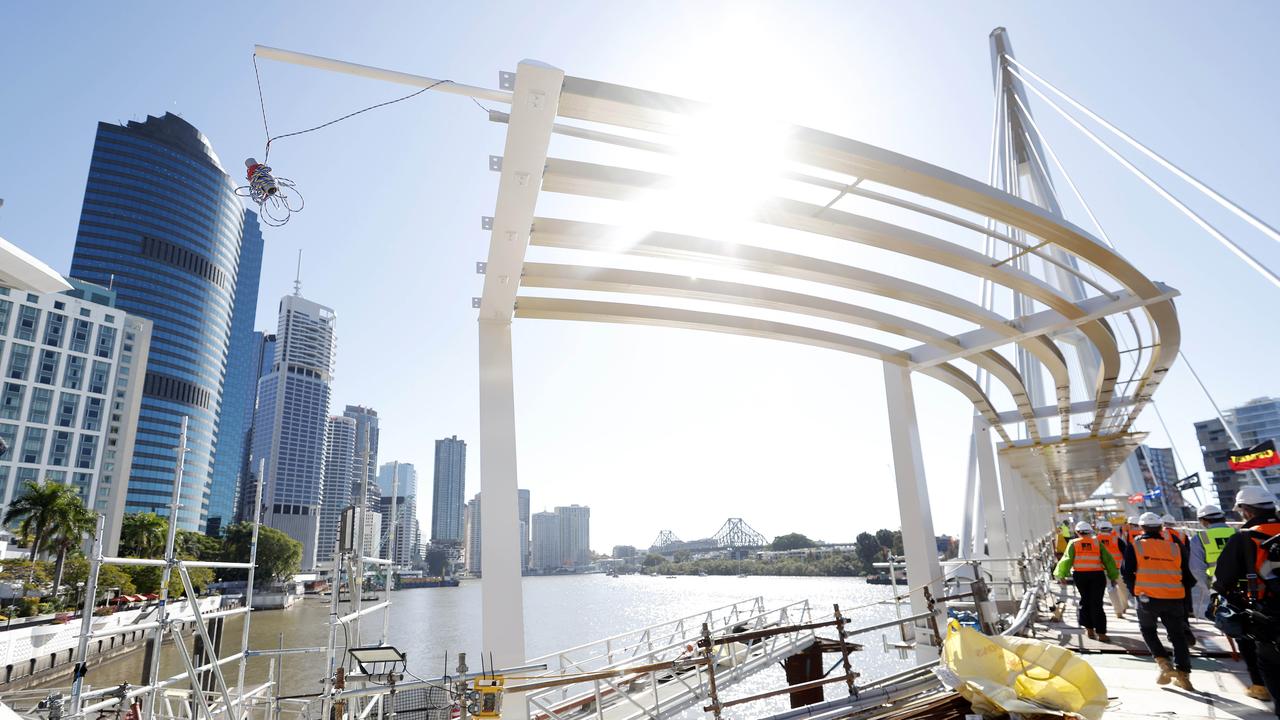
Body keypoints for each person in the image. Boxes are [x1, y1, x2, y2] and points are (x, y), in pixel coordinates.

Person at [1213, 485, 1280, 711]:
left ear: (1247, 511)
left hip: (1270, 616)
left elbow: (1222, 581)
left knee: (1272, 668)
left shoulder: (1245, 538)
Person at [1194, 502, 1270, 701]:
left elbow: (1197, 569)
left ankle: (1259, 685)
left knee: (1244, 635)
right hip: (1260, 588)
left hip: (1230, 592)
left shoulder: (1200, 538)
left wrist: (1210, 590)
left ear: (1203, 521)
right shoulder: (1242, 532)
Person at [1123, 511, 1196, 690]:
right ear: (1161, 528)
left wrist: (1136, 591)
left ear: (1141, 528)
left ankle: (1164, 665)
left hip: (1147, 599)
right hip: (1174, 598)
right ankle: (1183, 676)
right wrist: (1184, 598)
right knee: (1178, 635)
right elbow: (1188, 576)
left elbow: (1126, 572)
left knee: (1148, 630)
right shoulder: (1174, 547)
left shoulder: (1136, 546)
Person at [1056, 521, 1119, 642]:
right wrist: (1113, 576)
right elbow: (1108, 560)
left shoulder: (1073, 543)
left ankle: (1089, 630)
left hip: (1081, 576)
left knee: (1085, 601)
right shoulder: (1097, 543)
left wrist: (1061, 575)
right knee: (1097, 603)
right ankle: (1101, 633)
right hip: (1097, 575)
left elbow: (1066, 560)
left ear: (1077, 532)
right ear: (1090, 531)